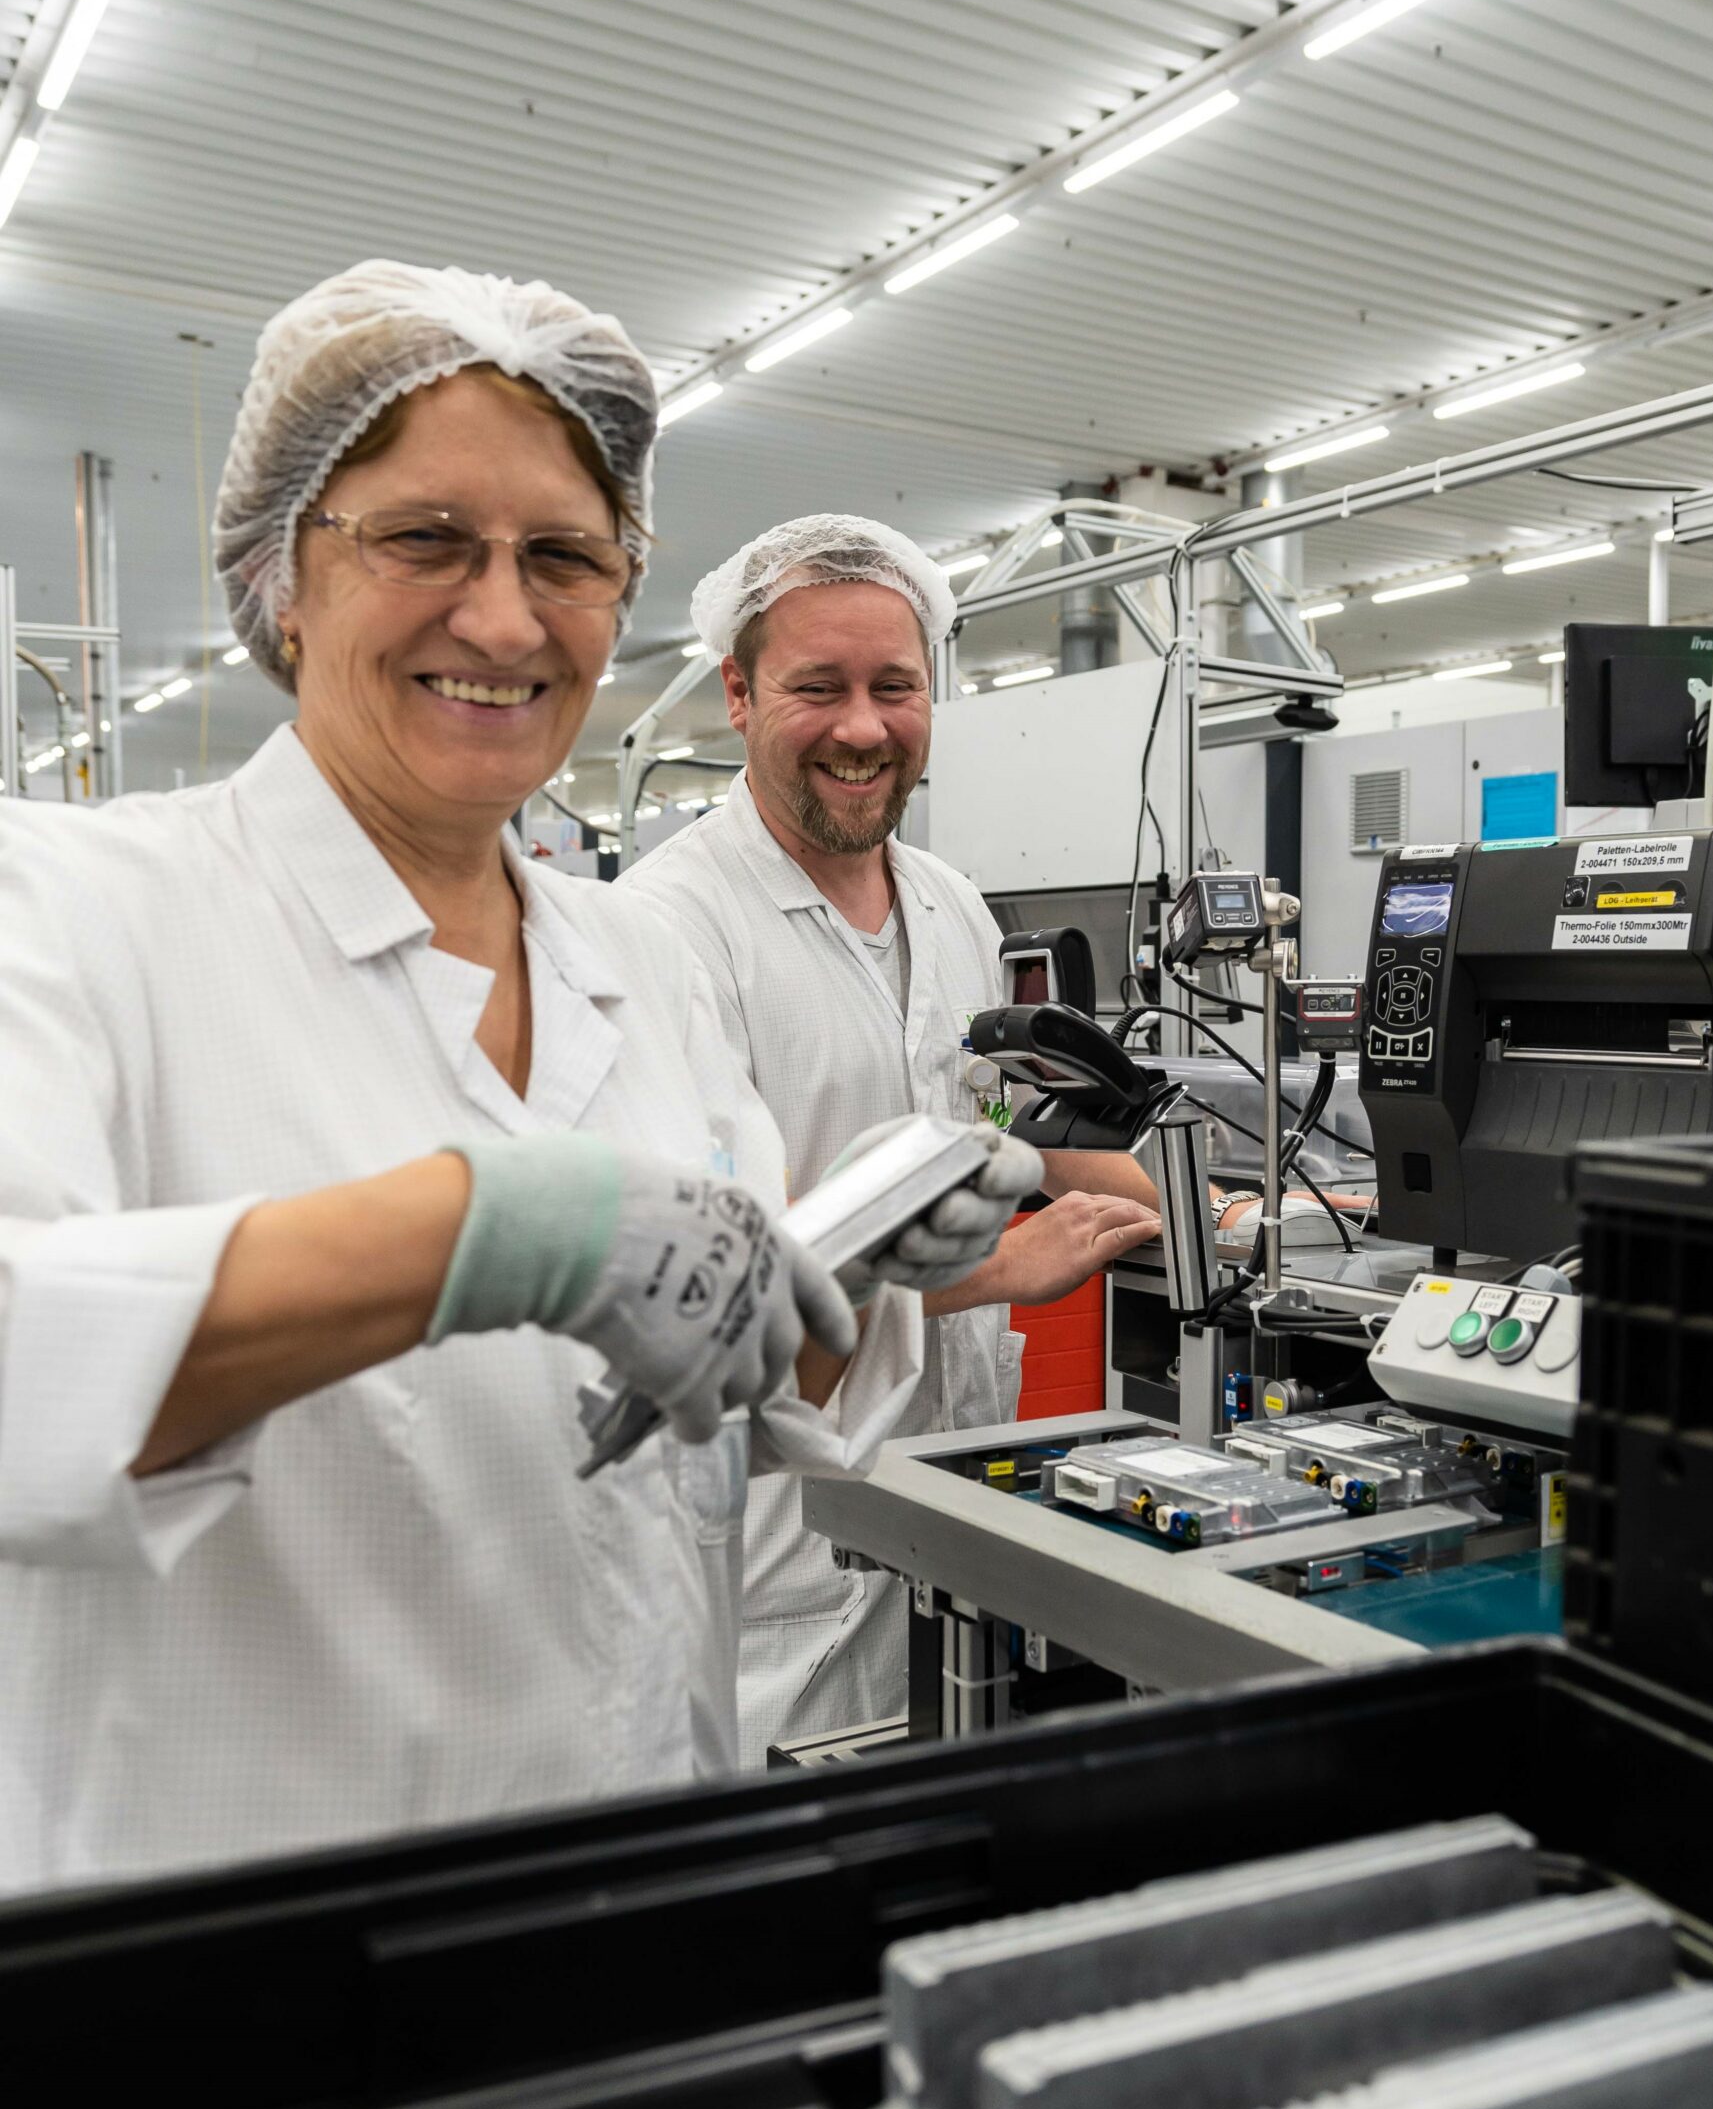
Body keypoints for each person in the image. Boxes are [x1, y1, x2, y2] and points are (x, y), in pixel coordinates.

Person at [0, 264, 1037, 1892]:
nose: (500, 618)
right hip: (238, 1965)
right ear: (284, 576)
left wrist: (849, 1268)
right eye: (421, 539)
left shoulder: (636, 974)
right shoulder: (69, 910)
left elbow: (726, 1419)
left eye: (562, 555)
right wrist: (484, 1231)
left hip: (631, 1900)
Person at [620, 515, 1161, 1761]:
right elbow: (707, 1275)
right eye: (819, 686)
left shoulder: (949, 902)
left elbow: (987, 1118)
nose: (864, 727)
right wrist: (994, 1272)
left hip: (964, 1480)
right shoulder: (666, 931)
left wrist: (1204, 1205)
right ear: (740, 693)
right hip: (784, 1546)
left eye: (895, 686)